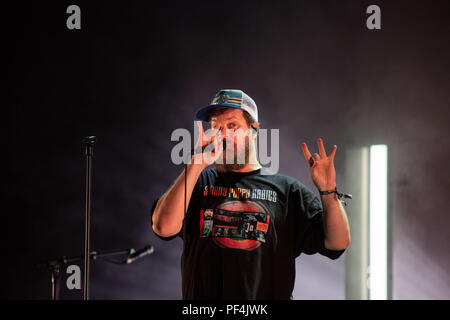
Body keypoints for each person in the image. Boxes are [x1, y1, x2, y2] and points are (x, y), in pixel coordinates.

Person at [150, 89, 351, 300]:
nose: (223, 134)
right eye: (216, 126)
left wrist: (328, 190)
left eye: (232, 125)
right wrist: (195, 164)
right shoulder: (196, 183)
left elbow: (337, 242)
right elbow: (163, 227)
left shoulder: (286, 190)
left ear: (254, 130)